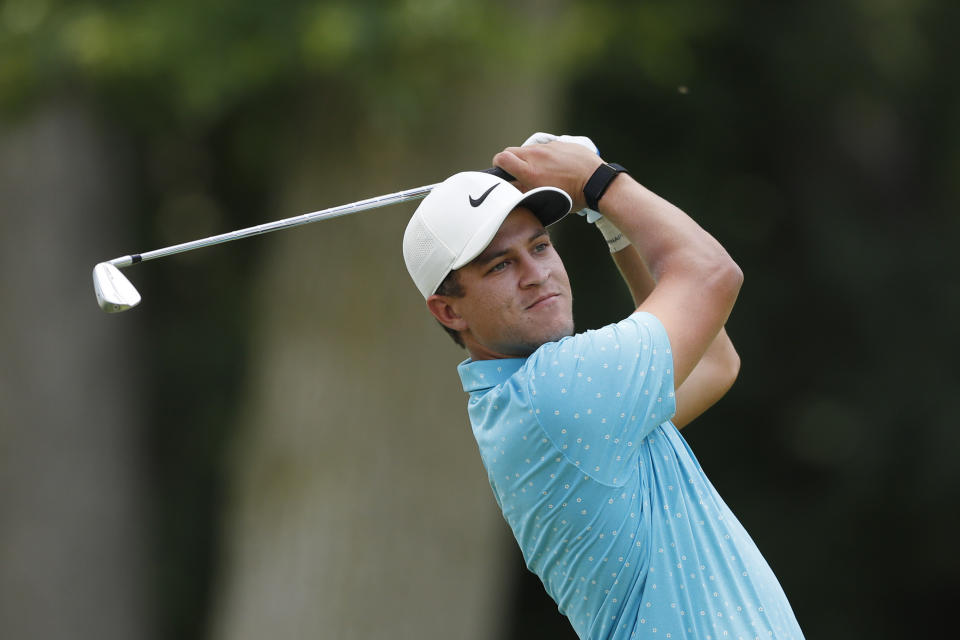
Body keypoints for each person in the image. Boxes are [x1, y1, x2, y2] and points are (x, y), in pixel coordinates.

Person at [402, 133, 804, 639]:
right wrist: (598, 182)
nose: (536, 274)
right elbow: (712, 274)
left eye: (541, 246)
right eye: (501, 265)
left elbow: (714, 363)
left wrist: (610, 221)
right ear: (448, 311)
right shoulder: (554, 393)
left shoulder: (531, 406)